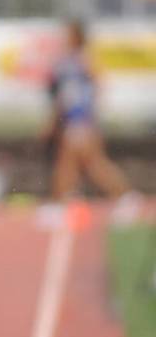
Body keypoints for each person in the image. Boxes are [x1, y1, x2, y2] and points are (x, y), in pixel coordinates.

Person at [46, 19, 139, 218]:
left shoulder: (82, 60)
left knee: (74, 161)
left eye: (68, 34)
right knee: (90, 163)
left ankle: (59, 203)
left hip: (81, 119)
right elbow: (61, 94)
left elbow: (98, 84)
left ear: (76, 36)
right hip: (73, 119)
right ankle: (124, 196)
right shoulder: (67, 61)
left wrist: (89, 112)